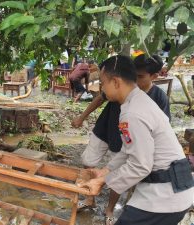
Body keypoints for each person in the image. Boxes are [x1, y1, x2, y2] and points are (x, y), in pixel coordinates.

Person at [78, 55, 193, 225]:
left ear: (116, 82)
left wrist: (103, 181)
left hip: (164, 197)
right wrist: (106, 170)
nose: (102, 87)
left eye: (103, 82)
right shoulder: (138, 101)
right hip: (174, 191)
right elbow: (129, 148)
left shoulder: (132, 113)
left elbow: (140, 165)